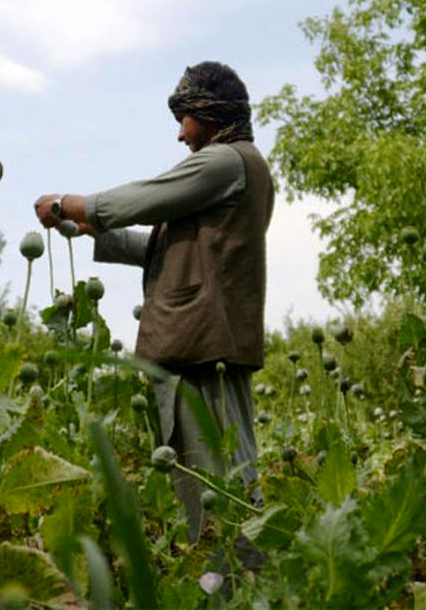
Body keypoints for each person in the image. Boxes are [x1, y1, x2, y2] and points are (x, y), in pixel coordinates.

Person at [34, 61, 274, 543]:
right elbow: (170, 249)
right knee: (201, 481)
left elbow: (149, 195)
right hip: (197, 345)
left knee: (221, 481)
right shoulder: (229, 172)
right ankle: (223, 582)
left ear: (210, 113)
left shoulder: (227, 160)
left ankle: (246, 583)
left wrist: (73, 204)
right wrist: (95, 231)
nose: (181, 135)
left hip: (207, 347)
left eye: (184, 118)